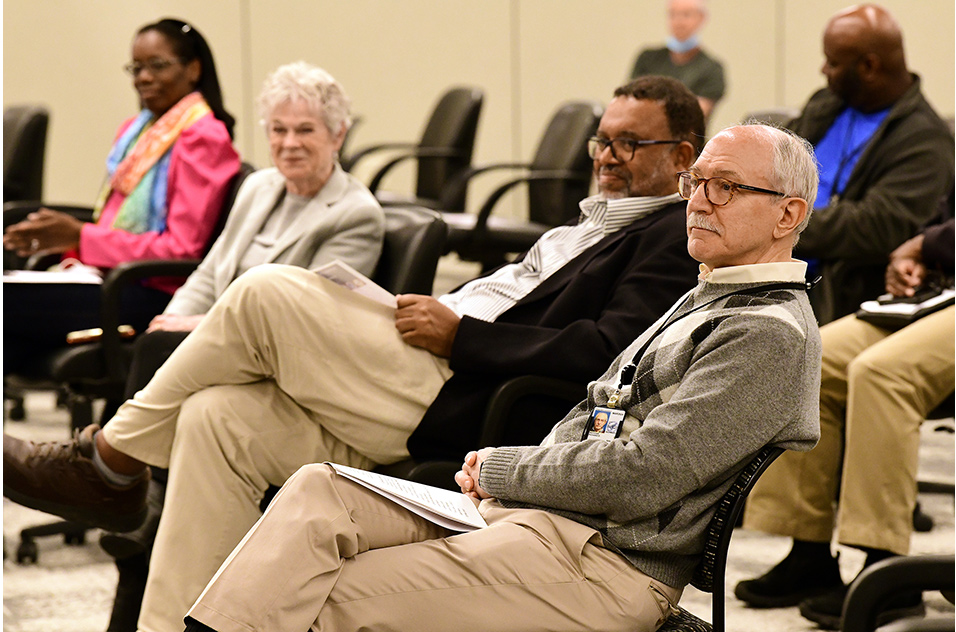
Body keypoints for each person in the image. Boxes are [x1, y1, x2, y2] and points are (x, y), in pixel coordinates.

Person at [4, 75, 706, 632]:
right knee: (215, 419)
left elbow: (606, 350)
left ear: (682, 157)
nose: (606, 158)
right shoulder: (581, 228)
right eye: (601, 142)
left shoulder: (670, 233)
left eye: (629, 145)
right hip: (424, 364)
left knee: (266, 291)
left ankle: (110, 462)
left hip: (466, 391)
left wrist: (461, 333)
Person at [179, 123, 823, 632]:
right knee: (320, 492)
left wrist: (502, 472)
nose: (698, 202)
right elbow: (599, 402)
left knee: (320, 592)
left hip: (608, 565)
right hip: (548, 520)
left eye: (726, 188)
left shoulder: (765, 333)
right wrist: (519, 486)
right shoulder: (714, 292)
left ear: (788, 215)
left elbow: (645, 473)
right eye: (696, 182)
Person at [98, 60, 386, 632]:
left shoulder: (356, 215)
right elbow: (208, 273)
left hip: (281, 372)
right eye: (278, 129)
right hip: (211, 359)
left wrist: (195, 330)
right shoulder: (257, 187)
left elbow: (304, 320)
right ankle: (136, 499)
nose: (288, 143)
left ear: (337, 135)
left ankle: (125, 484)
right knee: (156, 339)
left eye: (305, 130)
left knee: (162, 356)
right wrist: (177, 318)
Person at [736, 216, 955, 630]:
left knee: (884, 373)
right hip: (942, 286)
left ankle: (887, 569)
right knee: (809, 356)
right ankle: (809, 553)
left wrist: (923, 245)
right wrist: (924, 250)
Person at [2, 17, 241, 374]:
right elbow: (111, 222)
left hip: (150, 292)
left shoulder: (202, 137)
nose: (143, 77)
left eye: (157, 65)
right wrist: (67, 241)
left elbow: (181, 249)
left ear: (193, 69)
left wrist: (81, 236)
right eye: (137, 67)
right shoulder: (138, 131)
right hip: (108, 280)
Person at [786, 3, 954, 325]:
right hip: (773, 262)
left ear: (868, 67)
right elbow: (770, 162)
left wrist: (777, 222)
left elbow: (876, 227)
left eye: (833, 62)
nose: (823, 70)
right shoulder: (826, 104)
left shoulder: (927, 142)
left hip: (833, 290)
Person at [630, 0, 726, 119]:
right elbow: (630, 103)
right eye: (673, 14)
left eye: (686, 15)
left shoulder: (712, 69)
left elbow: (692, 116)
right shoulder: (647, 59)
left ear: (702, 18)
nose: (678, 22)